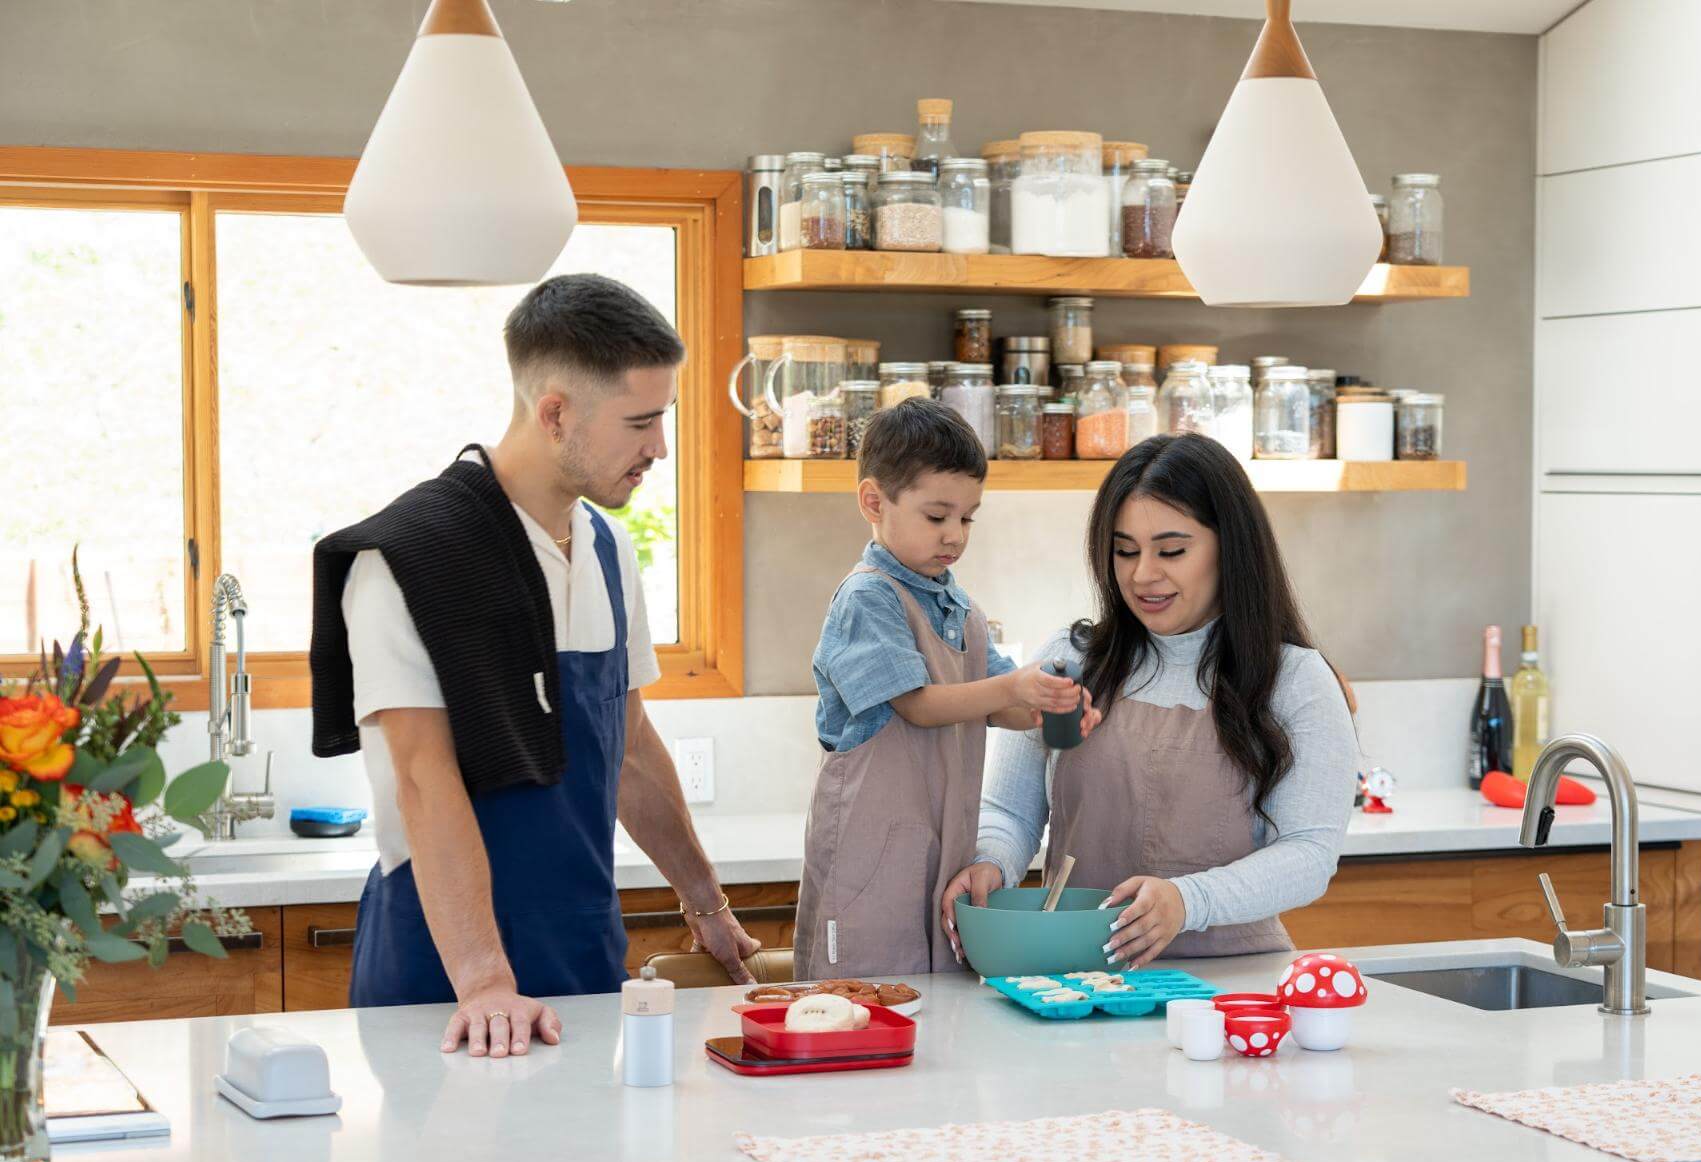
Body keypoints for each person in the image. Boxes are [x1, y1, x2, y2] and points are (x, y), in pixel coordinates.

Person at [309, 274, 757, 1058]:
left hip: (579, 950)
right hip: (446, 974)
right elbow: (421, 775)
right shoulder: (405, 557)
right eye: (641, 422)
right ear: (555, 413)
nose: (659, 447)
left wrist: (706, 901)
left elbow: (628, 745)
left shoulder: (609, 547)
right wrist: (485, 980)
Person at [943, 433, 1357, 969]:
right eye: (1125, 551)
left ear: (1229, 547)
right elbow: (1010, 810)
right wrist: (991, 863)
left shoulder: (1295, 680)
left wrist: (1187, 901)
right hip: (1077, 980)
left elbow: (1308, 855)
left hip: (1231, 987)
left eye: (1172, 551)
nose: (1142, 575)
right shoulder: (1071, 662)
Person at [796, 398, 1099, 980]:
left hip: (943, 848)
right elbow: (919, 705)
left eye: (967, 518)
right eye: (937, 517)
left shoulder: (958, 606)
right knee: (864, 994)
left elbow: (995, 706)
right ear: (873, 502)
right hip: (869, 855)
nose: (955, 535)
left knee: (938, 998)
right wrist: (1012, 685)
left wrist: (1040, 708)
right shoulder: (868, 599)